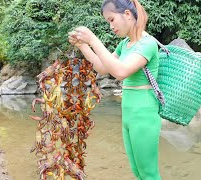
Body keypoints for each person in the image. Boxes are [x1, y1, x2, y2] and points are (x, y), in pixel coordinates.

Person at [68, 0, 161, 179]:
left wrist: (94, 40)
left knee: (149, 173)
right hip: (128, 115)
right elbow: (103, 68)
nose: (110, 26)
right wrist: (83, 45)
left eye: (111, 20)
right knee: (137, 171)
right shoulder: (125, 44)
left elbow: (120, 72)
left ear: (127, 14)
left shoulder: (147, 43)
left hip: (145, 114)